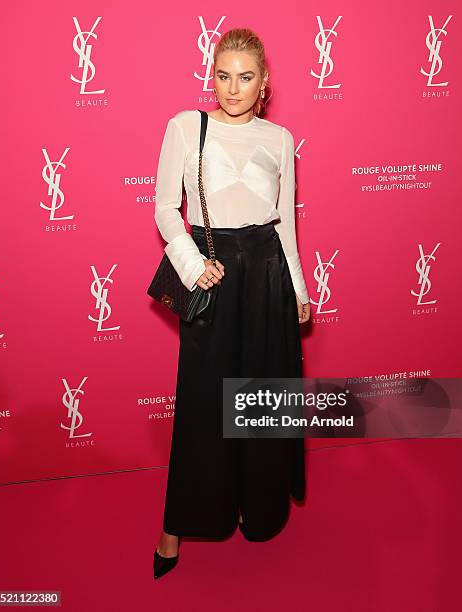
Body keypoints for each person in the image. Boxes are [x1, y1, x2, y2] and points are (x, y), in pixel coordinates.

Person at [152, 28, 311, 579]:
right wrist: (194, 266)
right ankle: (175, 528)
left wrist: (297, 286)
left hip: (267, 270)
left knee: (263, 399)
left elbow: (284, 223)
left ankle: (256, 505)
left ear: (264, 84)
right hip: (214, 273)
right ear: (211, 76)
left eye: (245, 78)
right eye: (223, 76)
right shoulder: (185, 127)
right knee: (204, 402)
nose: (233, 88)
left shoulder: (280, 138)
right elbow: (165, 210)